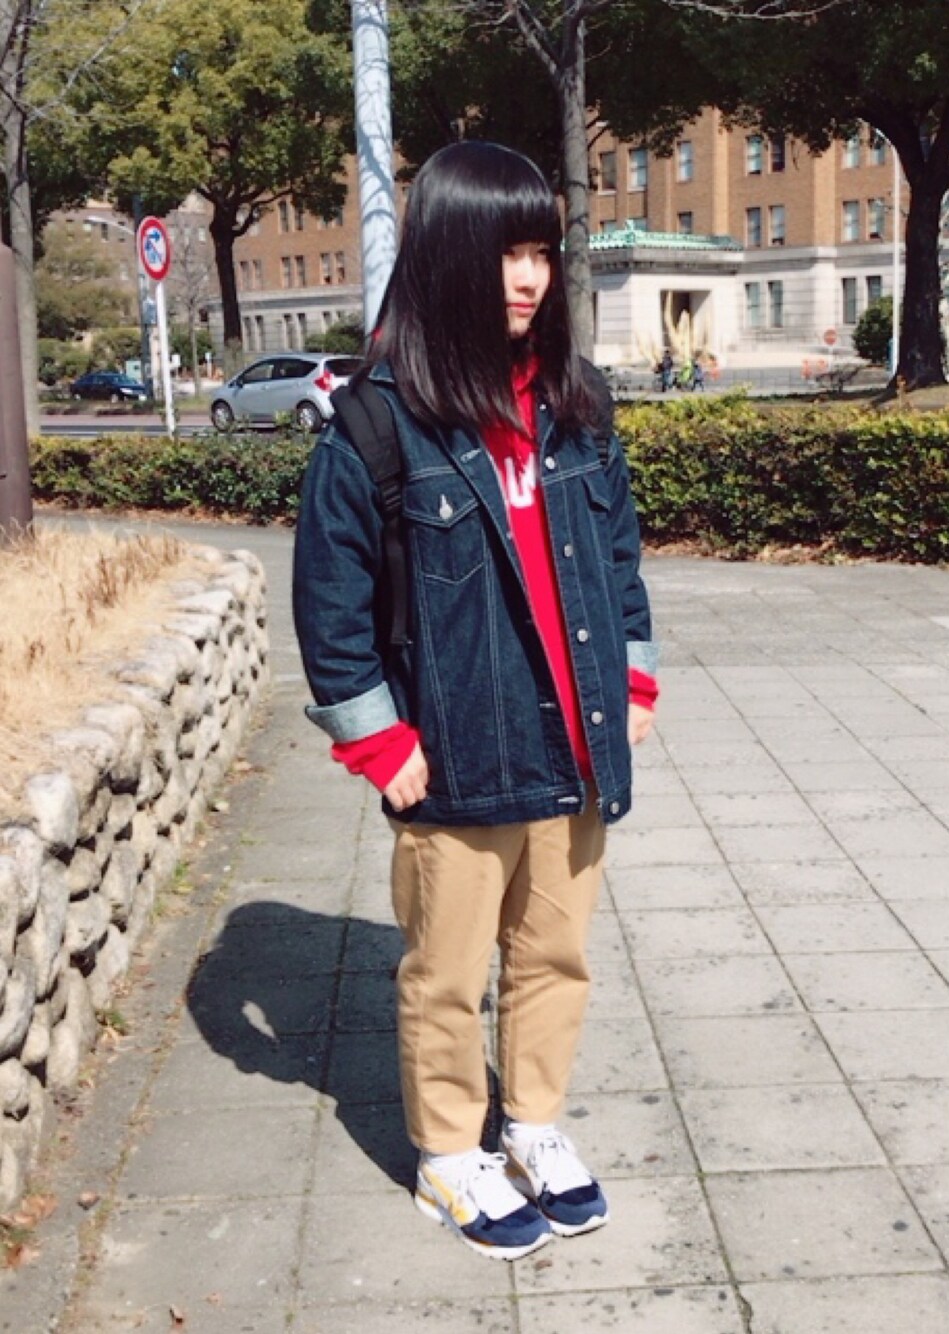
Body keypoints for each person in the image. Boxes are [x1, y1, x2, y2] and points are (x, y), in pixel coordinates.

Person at [293, 141, 658, 1263]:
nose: (529, 277)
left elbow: (618, 554)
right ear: (448, 256)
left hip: (574, 743)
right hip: (451, 758)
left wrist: (633, 677)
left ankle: (533, 1122)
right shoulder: (375, 426)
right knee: (446, 975)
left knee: (556, 956)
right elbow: (331, 606)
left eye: (541, 250)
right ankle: (450, 1151)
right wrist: (378, 741)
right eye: (505, 251)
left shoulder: (575, 402)